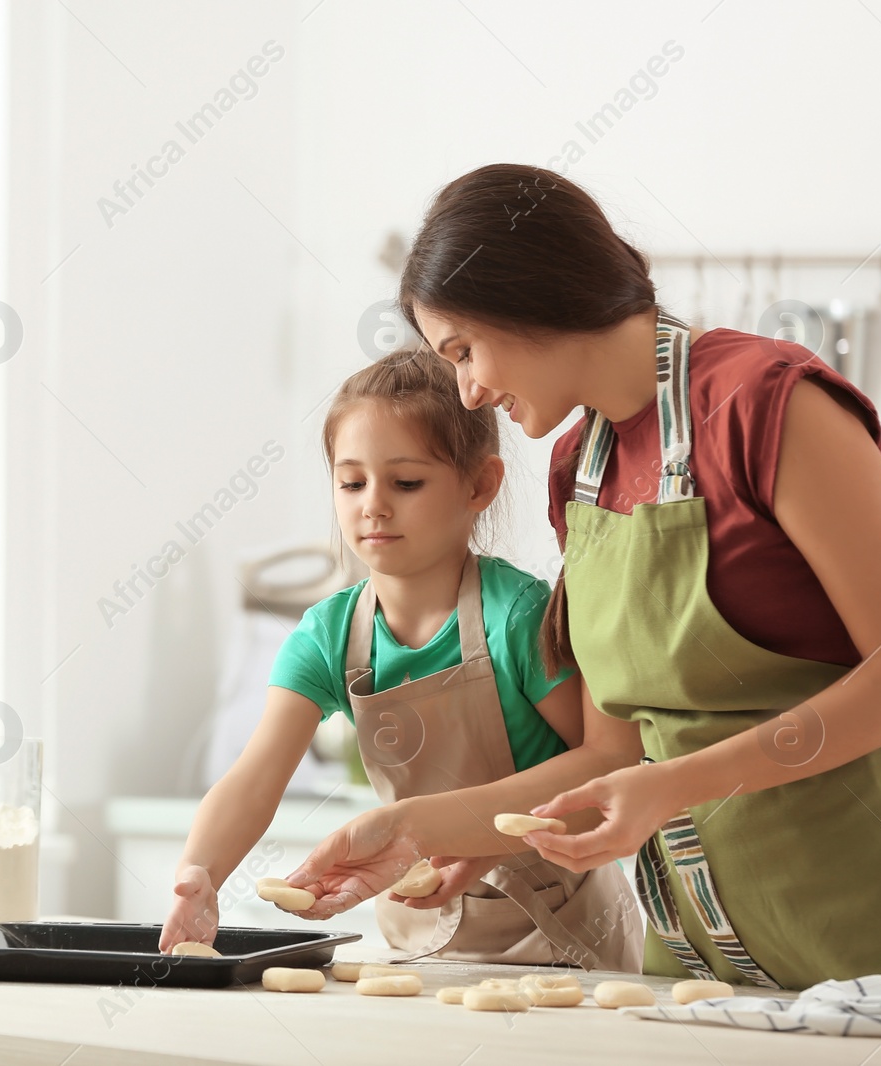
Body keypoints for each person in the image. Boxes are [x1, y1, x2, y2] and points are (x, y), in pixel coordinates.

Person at [281, 163, 881, 990]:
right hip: (695, 967)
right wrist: (411, 827)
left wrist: (675, 785)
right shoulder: (576, 471)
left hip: (879, 944)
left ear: (531, 294)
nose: (468, 391)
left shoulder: (770, 405)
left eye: (465, 350)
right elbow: (610, 754)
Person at [160, 347, 643, 970]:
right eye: (352, 482)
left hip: (563, 936)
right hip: (418, 941)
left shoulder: (517, 614)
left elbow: (602, 772)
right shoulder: (328, 635)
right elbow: (254, 779)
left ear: (480, 485)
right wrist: (199, 874)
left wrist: (473, 837)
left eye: (406, 483)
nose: (374, 505)